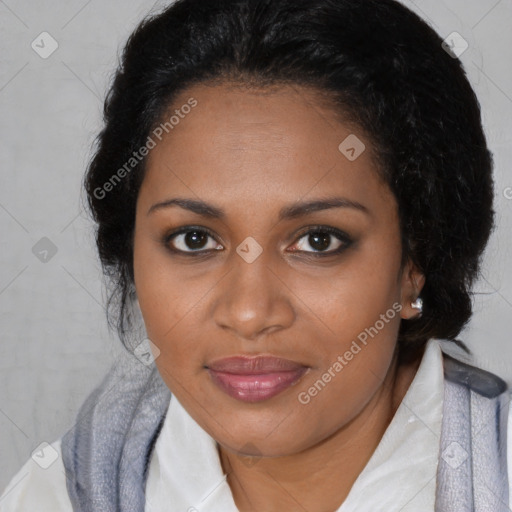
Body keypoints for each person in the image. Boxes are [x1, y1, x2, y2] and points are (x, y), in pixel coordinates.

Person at [1, 0, 509, 510]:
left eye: (318, 240)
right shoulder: (57, 495)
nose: (248, 313)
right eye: (194, 240)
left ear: (414, 261)